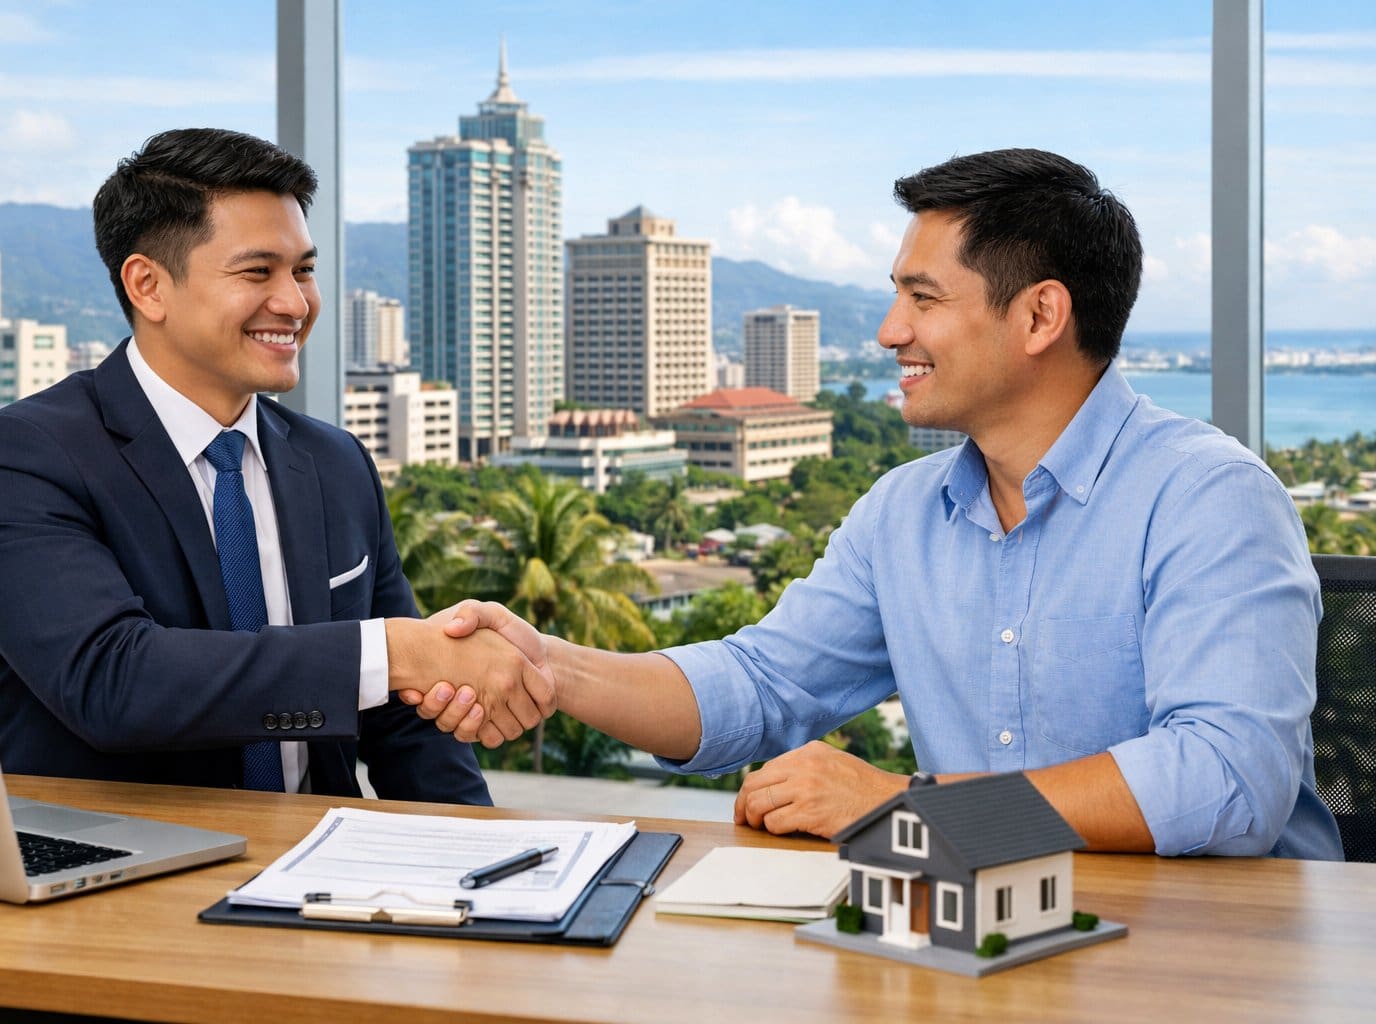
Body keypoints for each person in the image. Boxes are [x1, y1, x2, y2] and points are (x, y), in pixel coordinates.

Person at [417, 148, 1344, 859]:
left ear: (1039, 317)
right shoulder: (903, 513)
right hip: (978, 938)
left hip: (1216, 954)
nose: (890, 331)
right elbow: (761, 685)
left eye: (922, 299)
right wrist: (555, 669)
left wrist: (912, 809)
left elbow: (1227, 777)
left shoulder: (1211, 498)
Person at [0, 128, 548, 801]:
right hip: (114, 880)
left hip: (319, 867)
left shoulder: (337, 462)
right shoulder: (18, 460)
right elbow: (114, 682)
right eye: (258, 272)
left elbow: (406, 722)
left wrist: (482, 866)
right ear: (148, 286)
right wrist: (395, 648)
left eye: (304, 270)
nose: (295, 303)